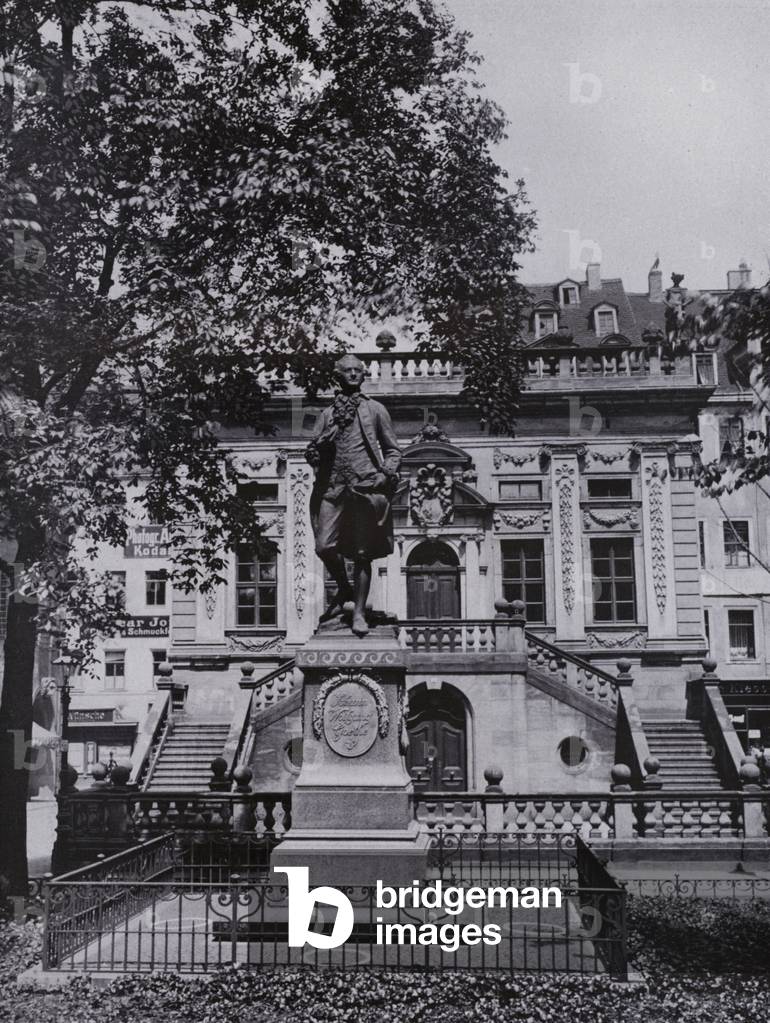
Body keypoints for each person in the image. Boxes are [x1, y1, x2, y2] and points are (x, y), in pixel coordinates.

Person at [305, 354, 401, 636]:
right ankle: (345, 589)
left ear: (363, 375)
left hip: (365, 487)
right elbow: (313, 451)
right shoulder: (326, 415)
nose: (353, 375)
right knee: (323, 546)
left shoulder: (376, 410)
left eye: (358, 371)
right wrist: (314, 453)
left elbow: (393, 449)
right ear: (338, 375)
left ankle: (358, 613)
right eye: (347, 371)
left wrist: (386, 472)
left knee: (362, 553)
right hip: (333, 488)